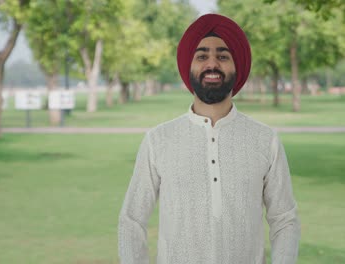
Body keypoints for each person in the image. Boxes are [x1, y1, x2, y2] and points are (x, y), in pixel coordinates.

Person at [118, 13, 300, 264]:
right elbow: (132, 220)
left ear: (237, 66)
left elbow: (284, 220)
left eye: (223, 56)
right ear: (188, 66)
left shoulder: (264, 140)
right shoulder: (158, 140)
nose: (212, 64)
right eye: (202, 56)